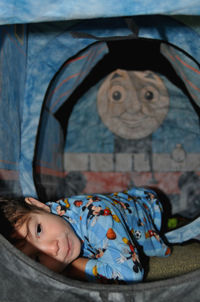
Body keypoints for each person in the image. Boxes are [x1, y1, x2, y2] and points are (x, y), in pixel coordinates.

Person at [0, 187, 199, 284]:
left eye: (39, 230)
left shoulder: (97, 217)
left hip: (150, 205)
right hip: (116, 207)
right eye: (36, 259)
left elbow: (130, 273)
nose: (53, 249)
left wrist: (76, 267)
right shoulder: (54, 226)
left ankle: (174, 221)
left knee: (165, 225)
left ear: (38, 205)